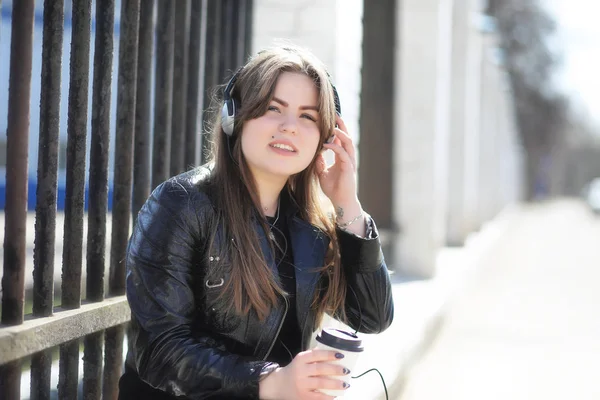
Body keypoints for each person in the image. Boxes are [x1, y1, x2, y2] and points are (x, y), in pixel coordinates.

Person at [118, 45, 394, 400]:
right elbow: (159, 350)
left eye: (308, 117)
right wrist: (269, 381)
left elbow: (372, 316)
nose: (289, 127)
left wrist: (347, 204)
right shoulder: (181, 205)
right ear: (236, 117)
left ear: (326, 138)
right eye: (272, 109)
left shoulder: (311, 224)